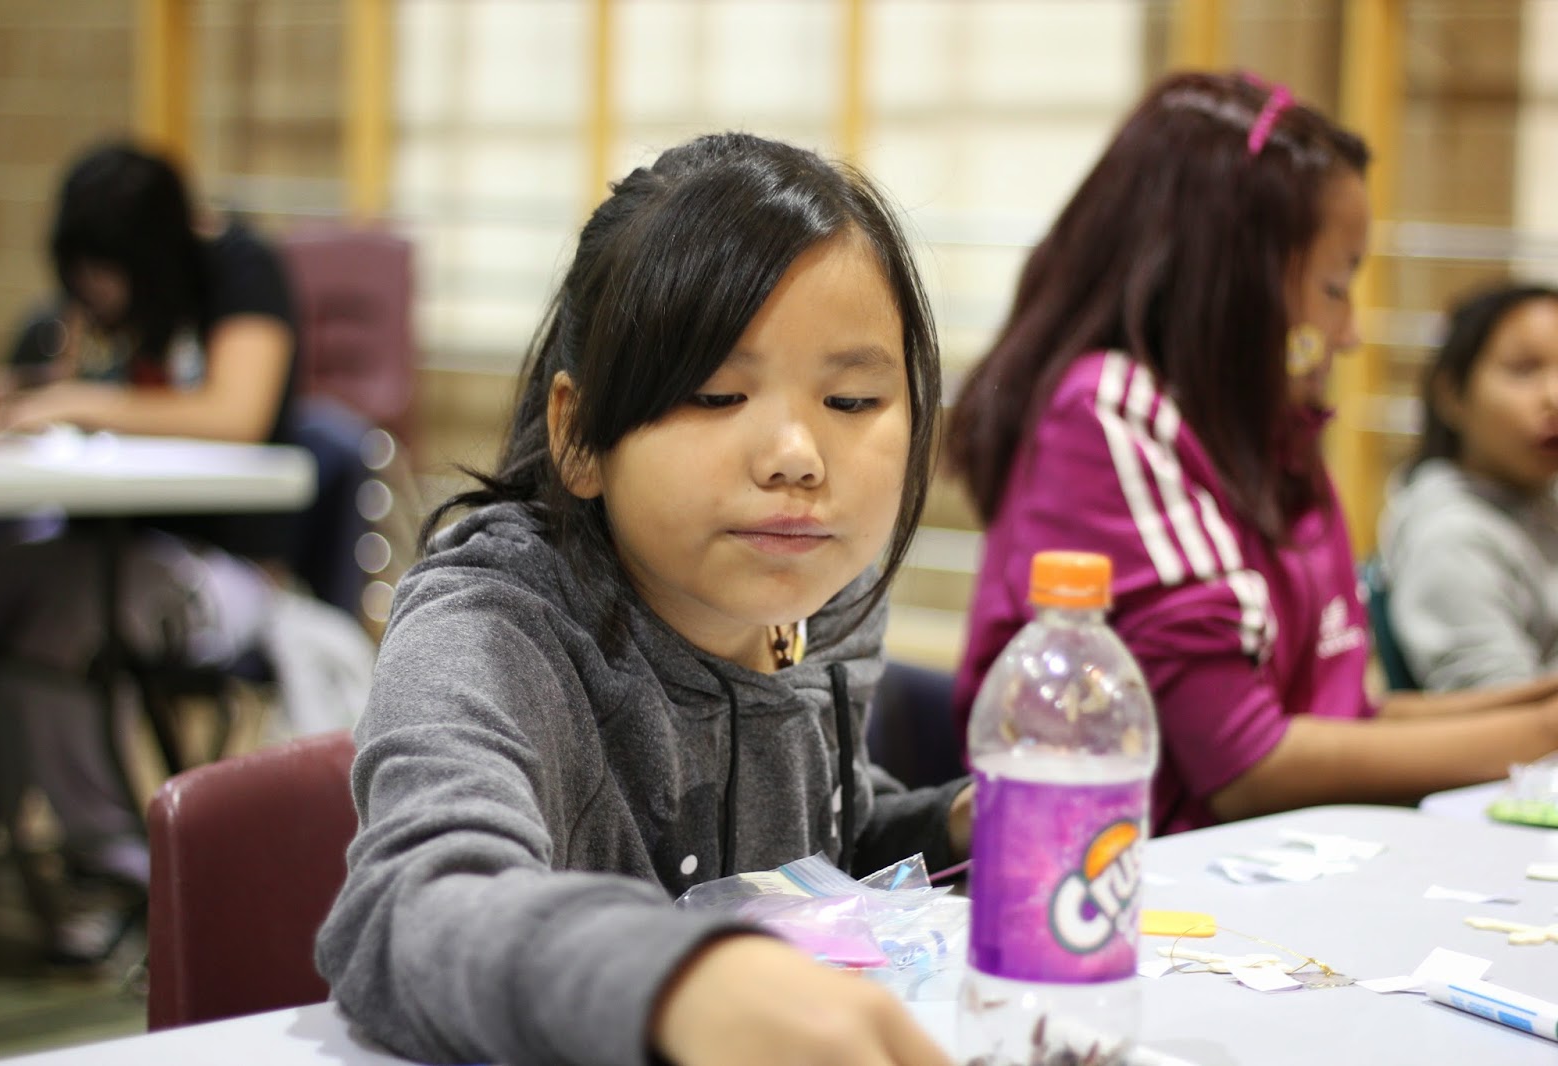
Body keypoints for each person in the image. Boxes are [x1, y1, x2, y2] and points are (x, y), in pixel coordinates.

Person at [315, 132, 973, 1066]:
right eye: (715, 395)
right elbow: (416, 905)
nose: (796, 455)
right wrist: (679, 980)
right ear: (579, 436)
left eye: (853, 401)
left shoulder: (831, 604)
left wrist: (958, 825)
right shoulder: (492, 629)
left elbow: (810, 854)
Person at [946, 71, 1558, 838]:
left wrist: (1542, 711)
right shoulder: (1107, 412)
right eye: (1336, 286)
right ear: (1239, 280)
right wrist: (1541, 735)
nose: (1352, 332)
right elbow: (1245, 765)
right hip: (1128, 889)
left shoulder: (1273, 431)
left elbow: (1348, 714)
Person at [0, 141, 301, 960]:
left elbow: (235, 413)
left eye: (105, 273)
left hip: (226, 574)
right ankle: (32, 846)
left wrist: (75, 401)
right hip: (98, 553)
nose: (91, 293)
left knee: (57, 635)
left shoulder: (241, 270)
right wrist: (33, 389)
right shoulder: (99, 316)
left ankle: (118, 872)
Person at [1380, 283, 1558, 690]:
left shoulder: (1539, 497)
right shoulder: (1451, 537)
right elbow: (1505, 721)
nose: (1555, 396)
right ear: (1452, 394)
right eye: (1525, 369)